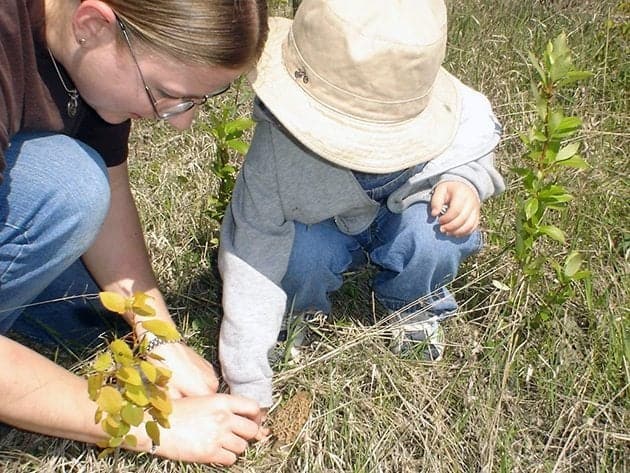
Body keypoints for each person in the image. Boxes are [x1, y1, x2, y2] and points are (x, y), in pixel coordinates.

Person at [0, 0, 268, 465]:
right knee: (70, 183)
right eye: (166, 93)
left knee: (88, 313)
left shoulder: (89, 61)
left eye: (198, 102)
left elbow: (109, 181)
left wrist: (159, 335)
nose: (182, 122)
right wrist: (143, 423)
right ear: (92, 25)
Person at [218, 0, 505, 411]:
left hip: (408, 211)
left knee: (434, 234)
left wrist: (466, 181)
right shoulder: (277, 159)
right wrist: (248, 381)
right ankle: (299, 314)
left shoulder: (428, 95)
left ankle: (412, 306)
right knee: (300, 257)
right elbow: (251, 259)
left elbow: (472, 136)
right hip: (324, 224)